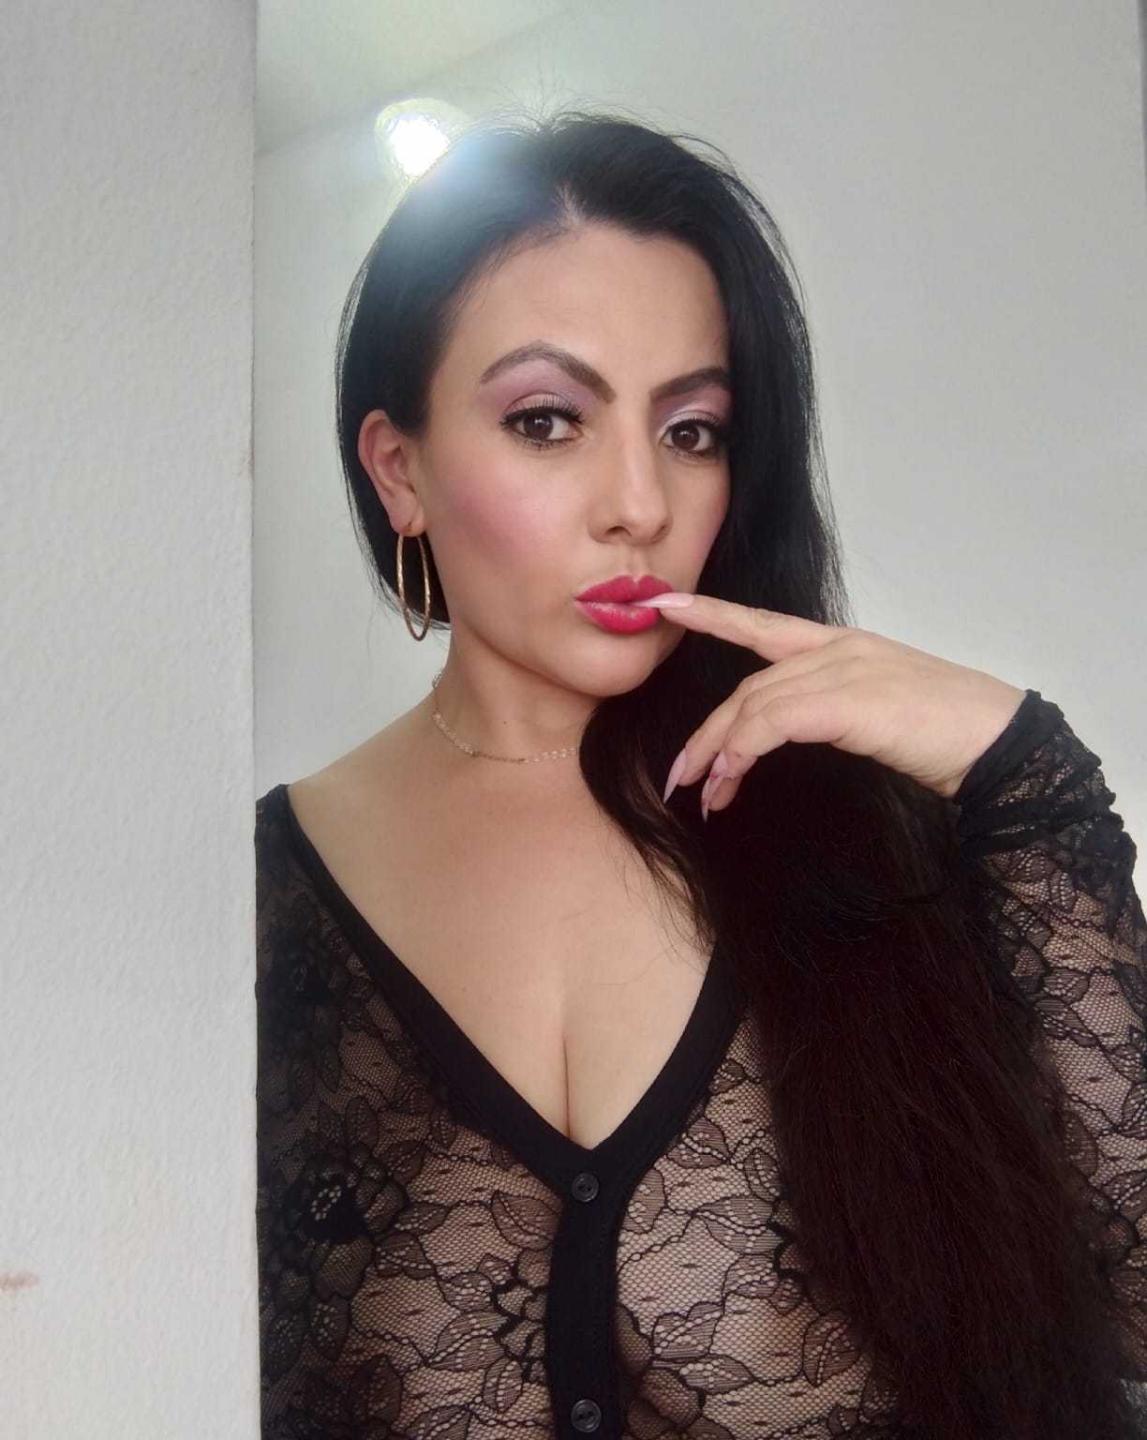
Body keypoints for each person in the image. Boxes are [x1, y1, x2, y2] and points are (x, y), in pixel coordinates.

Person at [254, 110, 1147, 1438]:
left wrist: (1025, 769)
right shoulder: (250, 905)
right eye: (548, 420)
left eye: (692, 430)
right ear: (401, 471)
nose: (641, 503)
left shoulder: (873, 843)